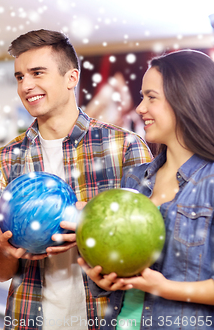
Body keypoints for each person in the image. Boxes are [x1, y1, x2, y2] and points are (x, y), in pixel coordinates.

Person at [0, 29, 153, 330]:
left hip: (108, 319)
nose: (27, 85)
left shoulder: (126, 147)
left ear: (71, 78)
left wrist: (94, 225)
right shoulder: (3, 161)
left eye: (37, 73)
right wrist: (7, 251)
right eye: (20, 77)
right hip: (29, 319)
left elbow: (150, 248)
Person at [79, 49, 214, 330]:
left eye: (151, 97)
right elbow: (121, 268)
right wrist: (103, 279)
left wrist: (165, 288)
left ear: (186, 99)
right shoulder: (135, 179)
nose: (140, 108)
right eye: (142, 97)